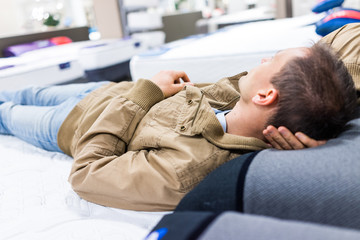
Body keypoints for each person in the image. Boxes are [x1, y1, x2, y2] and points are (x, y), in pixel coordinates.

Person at [0, 36, 358, 211]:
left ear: (266, 96)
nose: (263, 58)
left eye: (273, 59)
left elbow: (88, 174)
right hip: (106, 91)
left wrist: (144, 95)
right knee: (25, 88)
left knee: (5, 113)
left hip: (70, 123)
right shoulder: (244, 101)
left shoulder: (187, 169)